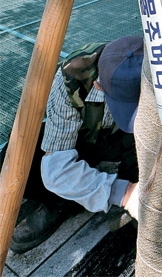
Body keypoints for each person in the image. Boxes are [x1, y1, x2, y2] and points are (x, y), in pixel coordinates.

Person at [1, 36, 143, 253]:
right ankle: (58, 203)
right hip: (84, 135)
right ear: (98, 84)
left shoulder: (159, 64)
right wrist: (124, 193)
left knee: (149, 188)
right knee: (13, 158)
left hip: (130, 140)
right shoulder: (72, 76)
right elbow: (56, 168)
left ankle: (132, 178)